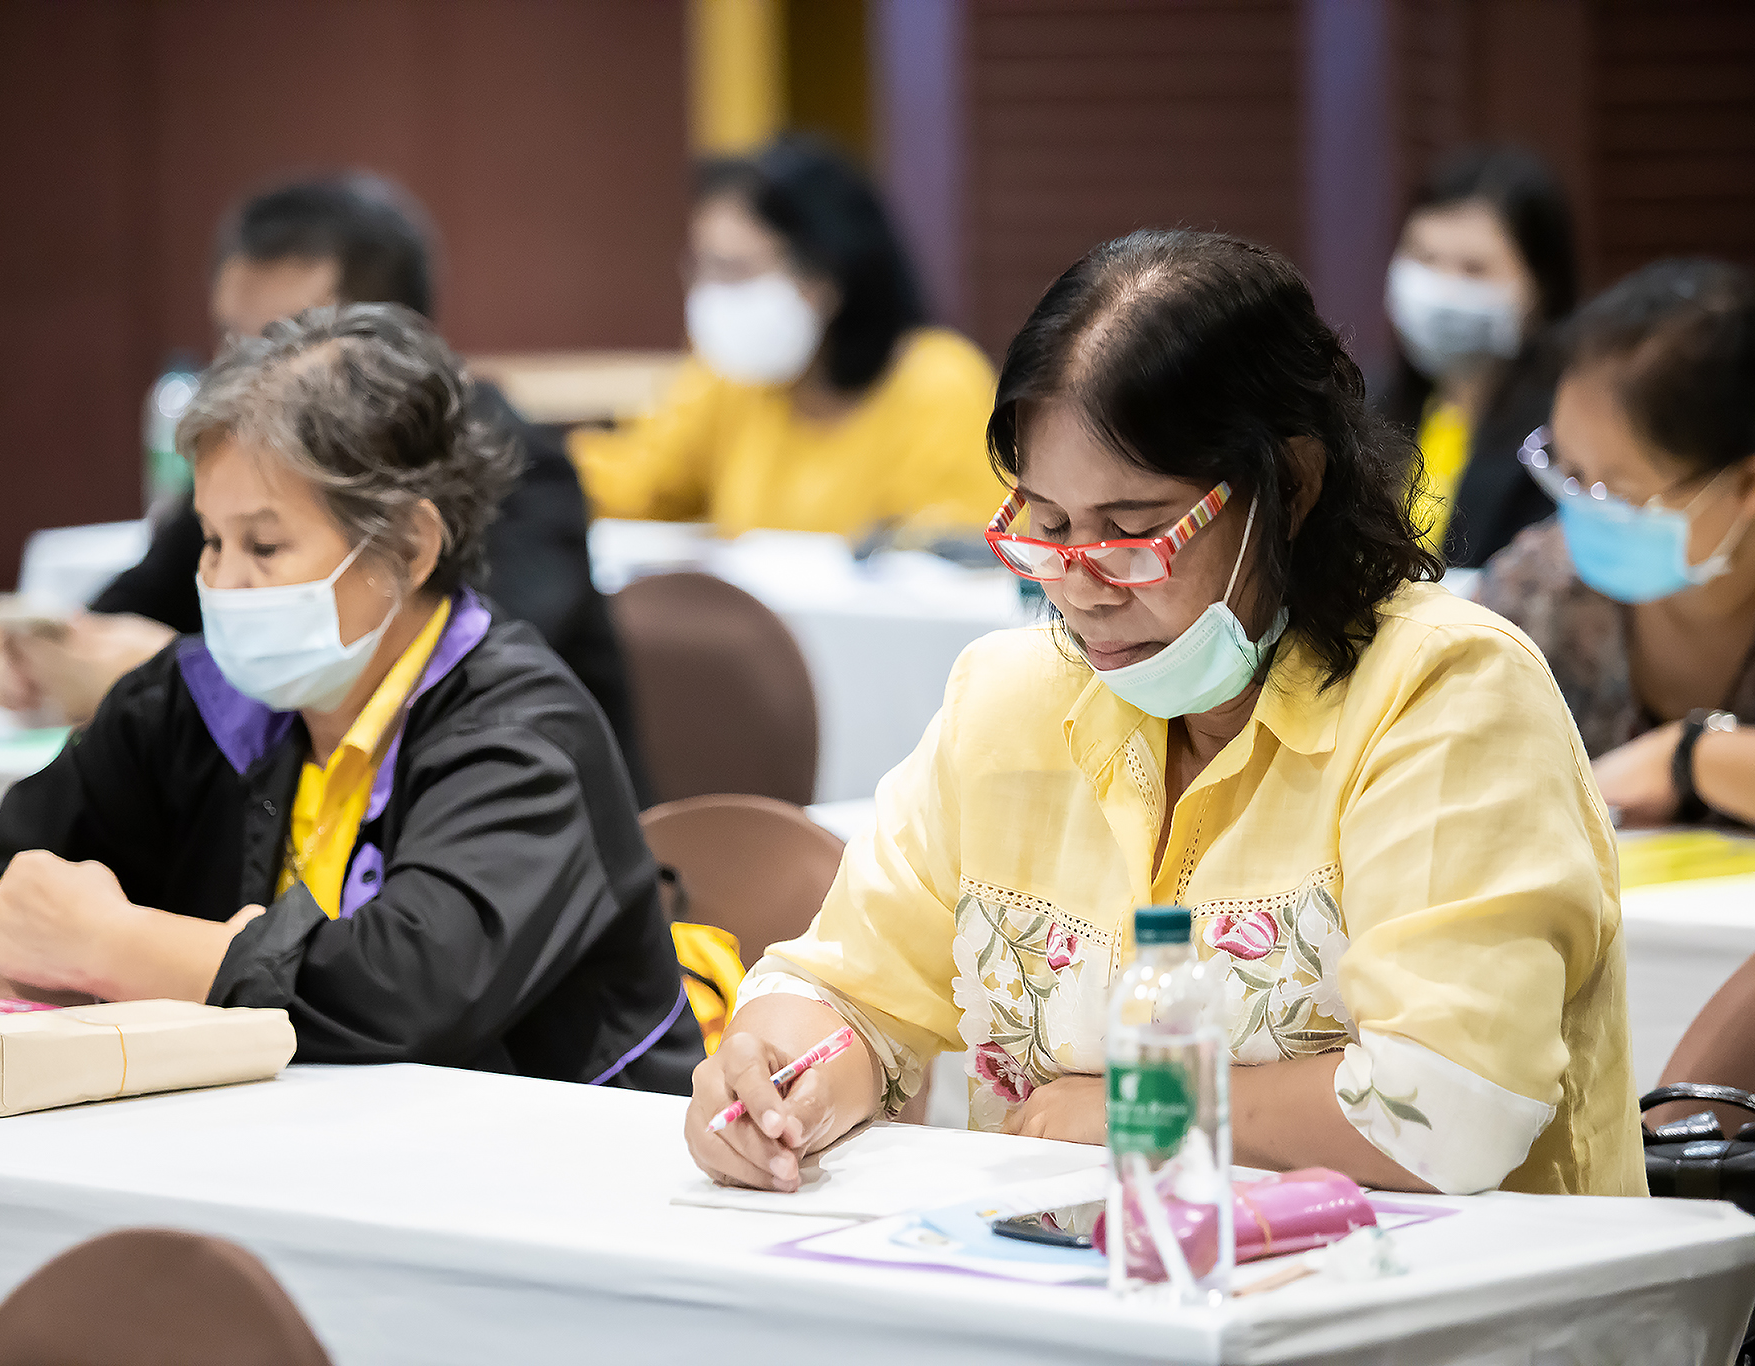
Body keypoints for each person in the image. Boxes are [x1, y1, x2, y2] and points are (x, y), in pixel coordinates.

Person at [685, 229, 1644, 1199]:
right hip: (1068, 1276)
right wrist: (776, 1079)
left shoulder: (1444, 693)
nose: (1083, 587)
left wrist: (1141, 1107)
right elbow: (851, 993)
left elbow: (1451, 1108)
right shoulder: (1008, 700)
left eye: (1134, 533)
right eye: (1048, 527)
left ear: (1292, 485)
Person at [0, 304, 701, 1087]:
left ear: (409, 547)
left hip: (551, 1164)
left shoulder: (523, 734)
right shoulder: (190, 702)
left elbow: (407, 995)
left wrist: (115, 947)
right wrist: (25, 965)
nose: (223, 583)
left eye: (264, 546)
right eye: (211, 542)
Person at [0, 174, 645, 799]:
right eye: (230, 340)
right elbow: (134, 604)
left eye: (279, 340)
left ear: (386, 343)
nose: (240, 375)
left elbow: (463, 679)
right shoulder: (251, 467)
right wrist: (48, 655)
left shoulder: (515, 465)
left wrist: (181, 679)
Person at [570, 135, 1003, 539]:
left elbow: (957, 553)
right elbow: (634, 483)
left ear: (824, 278)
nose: (709, 292)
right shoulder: (730, 378)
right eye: (701, 267)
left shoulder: (936, 384)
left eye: (732, 269)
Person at [1477, 260, 1755, 828]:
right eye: (1565, 470)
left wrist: (1692, 758)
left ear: (1746, 485)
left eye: (1614, 492)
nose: (1580, 508)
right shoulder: (1539, 593)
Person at [1379, 145, 1577, 567]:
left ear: (1540, 288)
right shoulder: (1366, 406)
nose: (1442, 289)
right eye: (1425, 258)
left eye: (1474, 269)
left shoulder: (1566, 436)